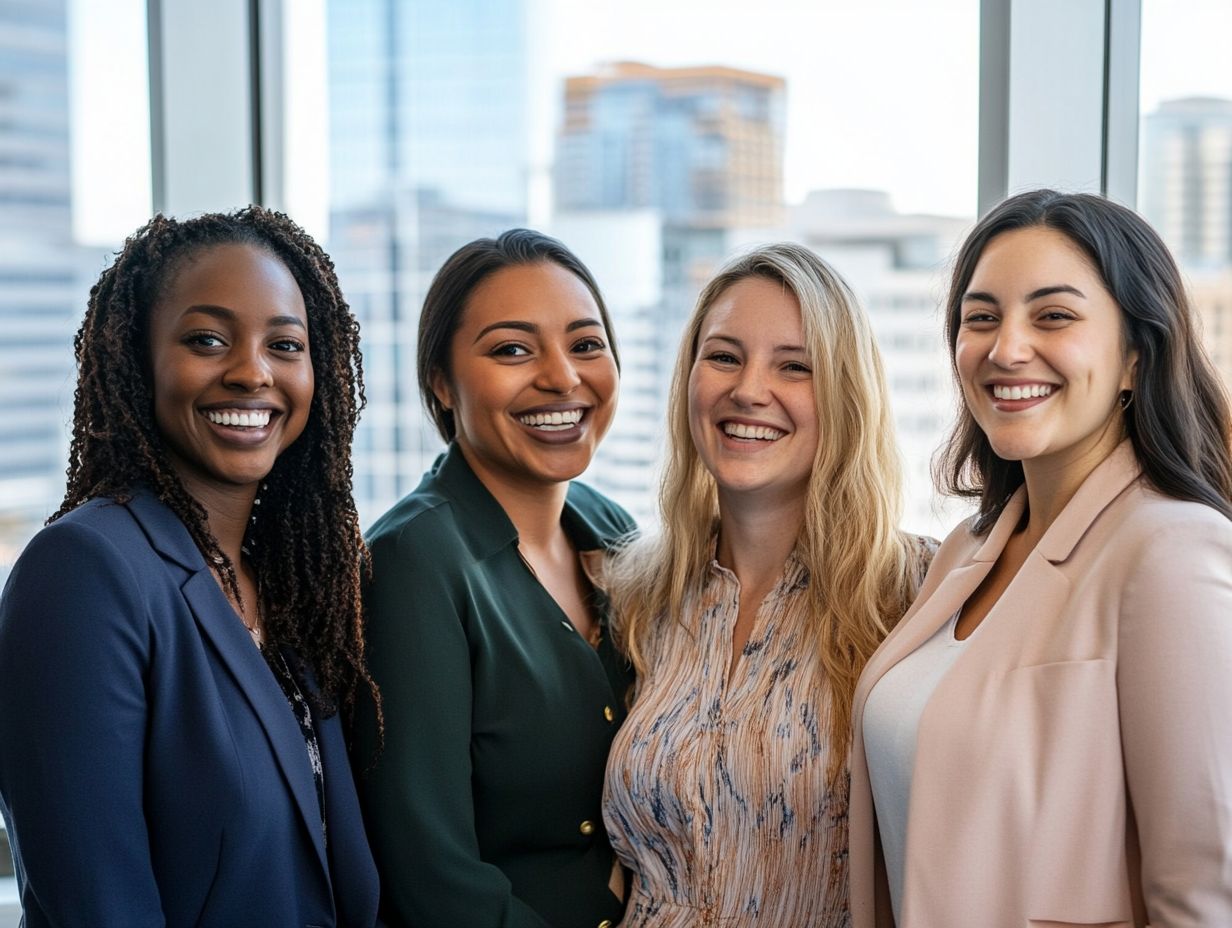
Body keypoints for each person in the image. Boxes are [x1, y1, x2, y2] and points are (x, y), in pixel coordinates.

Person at [850, 189, 1232, 927]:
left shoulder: (1173, 554)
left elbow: (1204, 896)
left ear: (1133, 356)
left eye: (1053, 316)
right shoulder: (968, 548)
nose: (1005, 348)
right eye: (981, 317)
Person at [0, 208, 380, 927]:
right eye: (207, 340)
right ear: (137, 359)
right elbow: (98, 904)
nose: (252, 372)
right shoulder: (84, 571)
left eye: (285, 344)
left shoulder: (289, 582)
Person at [602, 243, 935, 927]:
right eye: (724, 356)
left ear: (845, 393)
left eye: (794, 366)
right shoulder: (640, 596)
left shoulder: (917, 595)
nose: (749, 389)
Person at [353, 229, 635, 928]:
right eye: (512, 349)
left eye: (586, 344)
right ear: (440, 383)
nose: (563, 377)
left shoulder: (615, 532)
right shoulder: (411, 561)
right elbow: (431, 876)